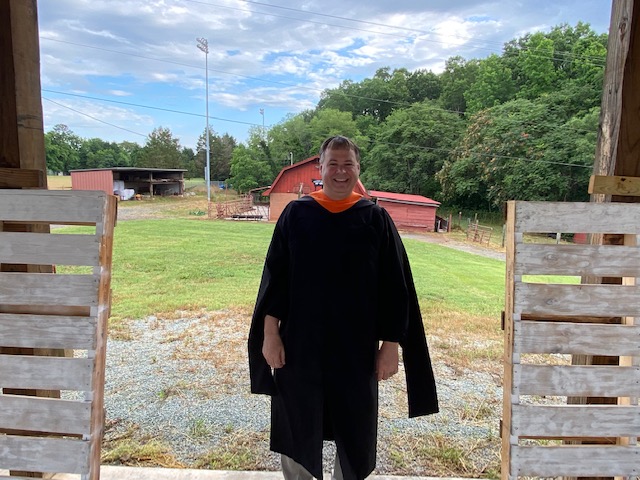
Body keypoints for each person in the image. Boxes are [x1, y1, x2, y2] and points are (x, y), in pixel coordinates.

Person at [248, 135, 438, 480]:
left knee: (355, 428)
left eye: (347, 164)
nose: (340, 171)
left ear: (358, 169)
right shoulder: (296, 214)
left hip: (356, 349)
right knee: (296, 421)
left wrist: (390, 345)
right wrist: (270, 334)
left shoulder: (375, 219)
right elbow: (276, 280)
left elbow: (395, 288)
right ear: (320, 169)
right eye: (332, 164)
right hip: (299, 345)